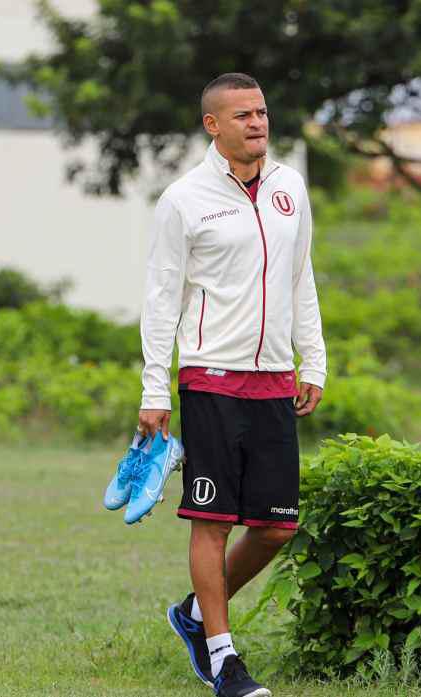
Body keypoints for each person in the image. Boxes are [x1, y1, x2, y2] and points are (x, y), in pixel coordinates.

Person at [138, 73, 326, 697]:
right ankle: (224, 660)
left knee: (276, 527)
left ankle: (195, 614)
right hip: (210, 377)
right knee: (212, 519)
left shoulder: (290, 186)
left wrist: (313, 361)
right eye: (243, 115)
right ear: (212, 125)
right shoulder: (183, 199)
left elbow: (301, 278)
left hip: (274, 377)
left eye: (262, 112)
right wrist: (155, 389)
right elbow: (161, 299)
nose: (258, 123)